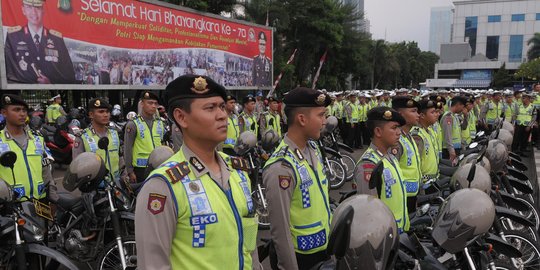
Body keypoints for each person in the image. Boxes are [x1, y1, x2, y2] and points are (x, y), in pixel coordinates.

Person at [135, 75, 260, 269]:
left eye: (221, 106)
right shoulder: (164, 185)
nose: (222, 115)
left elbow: (249, 244)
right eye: (210, 108)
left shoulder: (238, 171)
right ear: (181, 117)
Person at [263, 87, 332, 270]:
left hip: (323, 251)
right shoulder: (282, 167)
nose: (324, 121)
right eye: (321, 115)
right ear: (302, 119)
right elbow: (281, 231)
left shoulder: (313, 149)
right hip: (301, 258)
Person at [353, 107, 409, 233]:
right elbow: (368, 212)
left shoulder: (389, 157)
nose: (399, 132)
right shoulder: (369, 165)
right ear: (378, 131)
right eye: (394, 128)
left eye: (399, 128)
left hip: (398, 232)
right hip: (384, 236)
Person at [0, 94, 56, 202]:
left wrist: (52, 198)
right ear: (4, 113)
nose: (22, 114)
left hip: (39, 203)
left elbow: (46, 172)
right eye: (17, 110)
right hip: (10, 207)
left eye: (24, 110)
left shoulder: (38, 139)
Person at [4, 0, 75, 84]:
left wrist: (51, 84)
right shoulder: (13, 37)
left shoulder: (57, 39)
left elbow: (69, 75)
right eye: (29, 7)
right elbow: (8, 72)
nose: (33, 12)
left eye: (37, 8)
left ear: (43, 10)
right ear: (23, 10)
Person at [72, 98, 121, 182]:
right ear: (91, 114)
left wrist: (124, 174)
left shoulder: (114, 133)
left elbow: (120, 156)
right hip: (94, 187)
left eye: (107, 112)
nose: (106, 115)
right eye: (101, 112)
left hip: (116, 184)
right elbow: (77, 165)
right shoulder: (82, 137)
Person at [124, 91, 164, 183]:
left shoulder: (159, 123)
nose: (154, 106)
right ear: (142, 104)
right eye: (150, 103)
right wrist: (130, 171)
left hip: (158, 165)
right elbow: (127, 148)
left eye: (155, 103)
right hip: (140, 169)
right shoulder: (133, 124)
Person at [391, 97, 422, 211]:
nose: (418, 115)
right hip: (402, 196)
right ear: (400, 114)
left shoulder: (408, 136)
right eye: (413, 111)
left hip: (411, 194)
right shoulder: (396, 140)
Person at [411, 100, 440, 185]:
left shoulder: (429, 131)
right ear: (422, 116)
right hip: (424, 183)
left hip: (433, 180)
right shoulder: (417, 135)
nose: (437, 114)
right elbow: (416, 162)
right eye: (433, 112)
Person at [440, 96, 468, 163]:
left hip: (456, 149)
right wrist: (451, 151)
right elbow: (448, 135)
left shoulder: (455, 116)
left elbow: (463, 128)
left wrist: (466, 117)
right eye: (463, 107)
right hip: (449, 151)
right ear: (458, 105)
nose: (463, 109)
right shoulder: (448, 116)